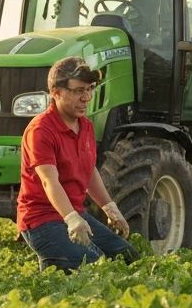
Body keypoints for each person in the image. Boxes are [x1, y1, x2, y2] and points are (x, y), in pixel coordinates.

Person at [17, 57, 138, 271]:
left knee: (128, 257)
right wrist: (71, 218)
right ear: (56, 92)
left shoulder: (86, 126)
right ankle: (54, 264)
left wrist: (110, 208)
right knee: (96, 267)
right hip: (42, 221)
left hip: (75, 214)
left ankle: (56, 266)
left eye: (90, 89)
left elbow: (88, 171)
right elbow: (49, 182)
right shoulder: (41, 130)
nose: (87, 97)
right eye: (79, 91)